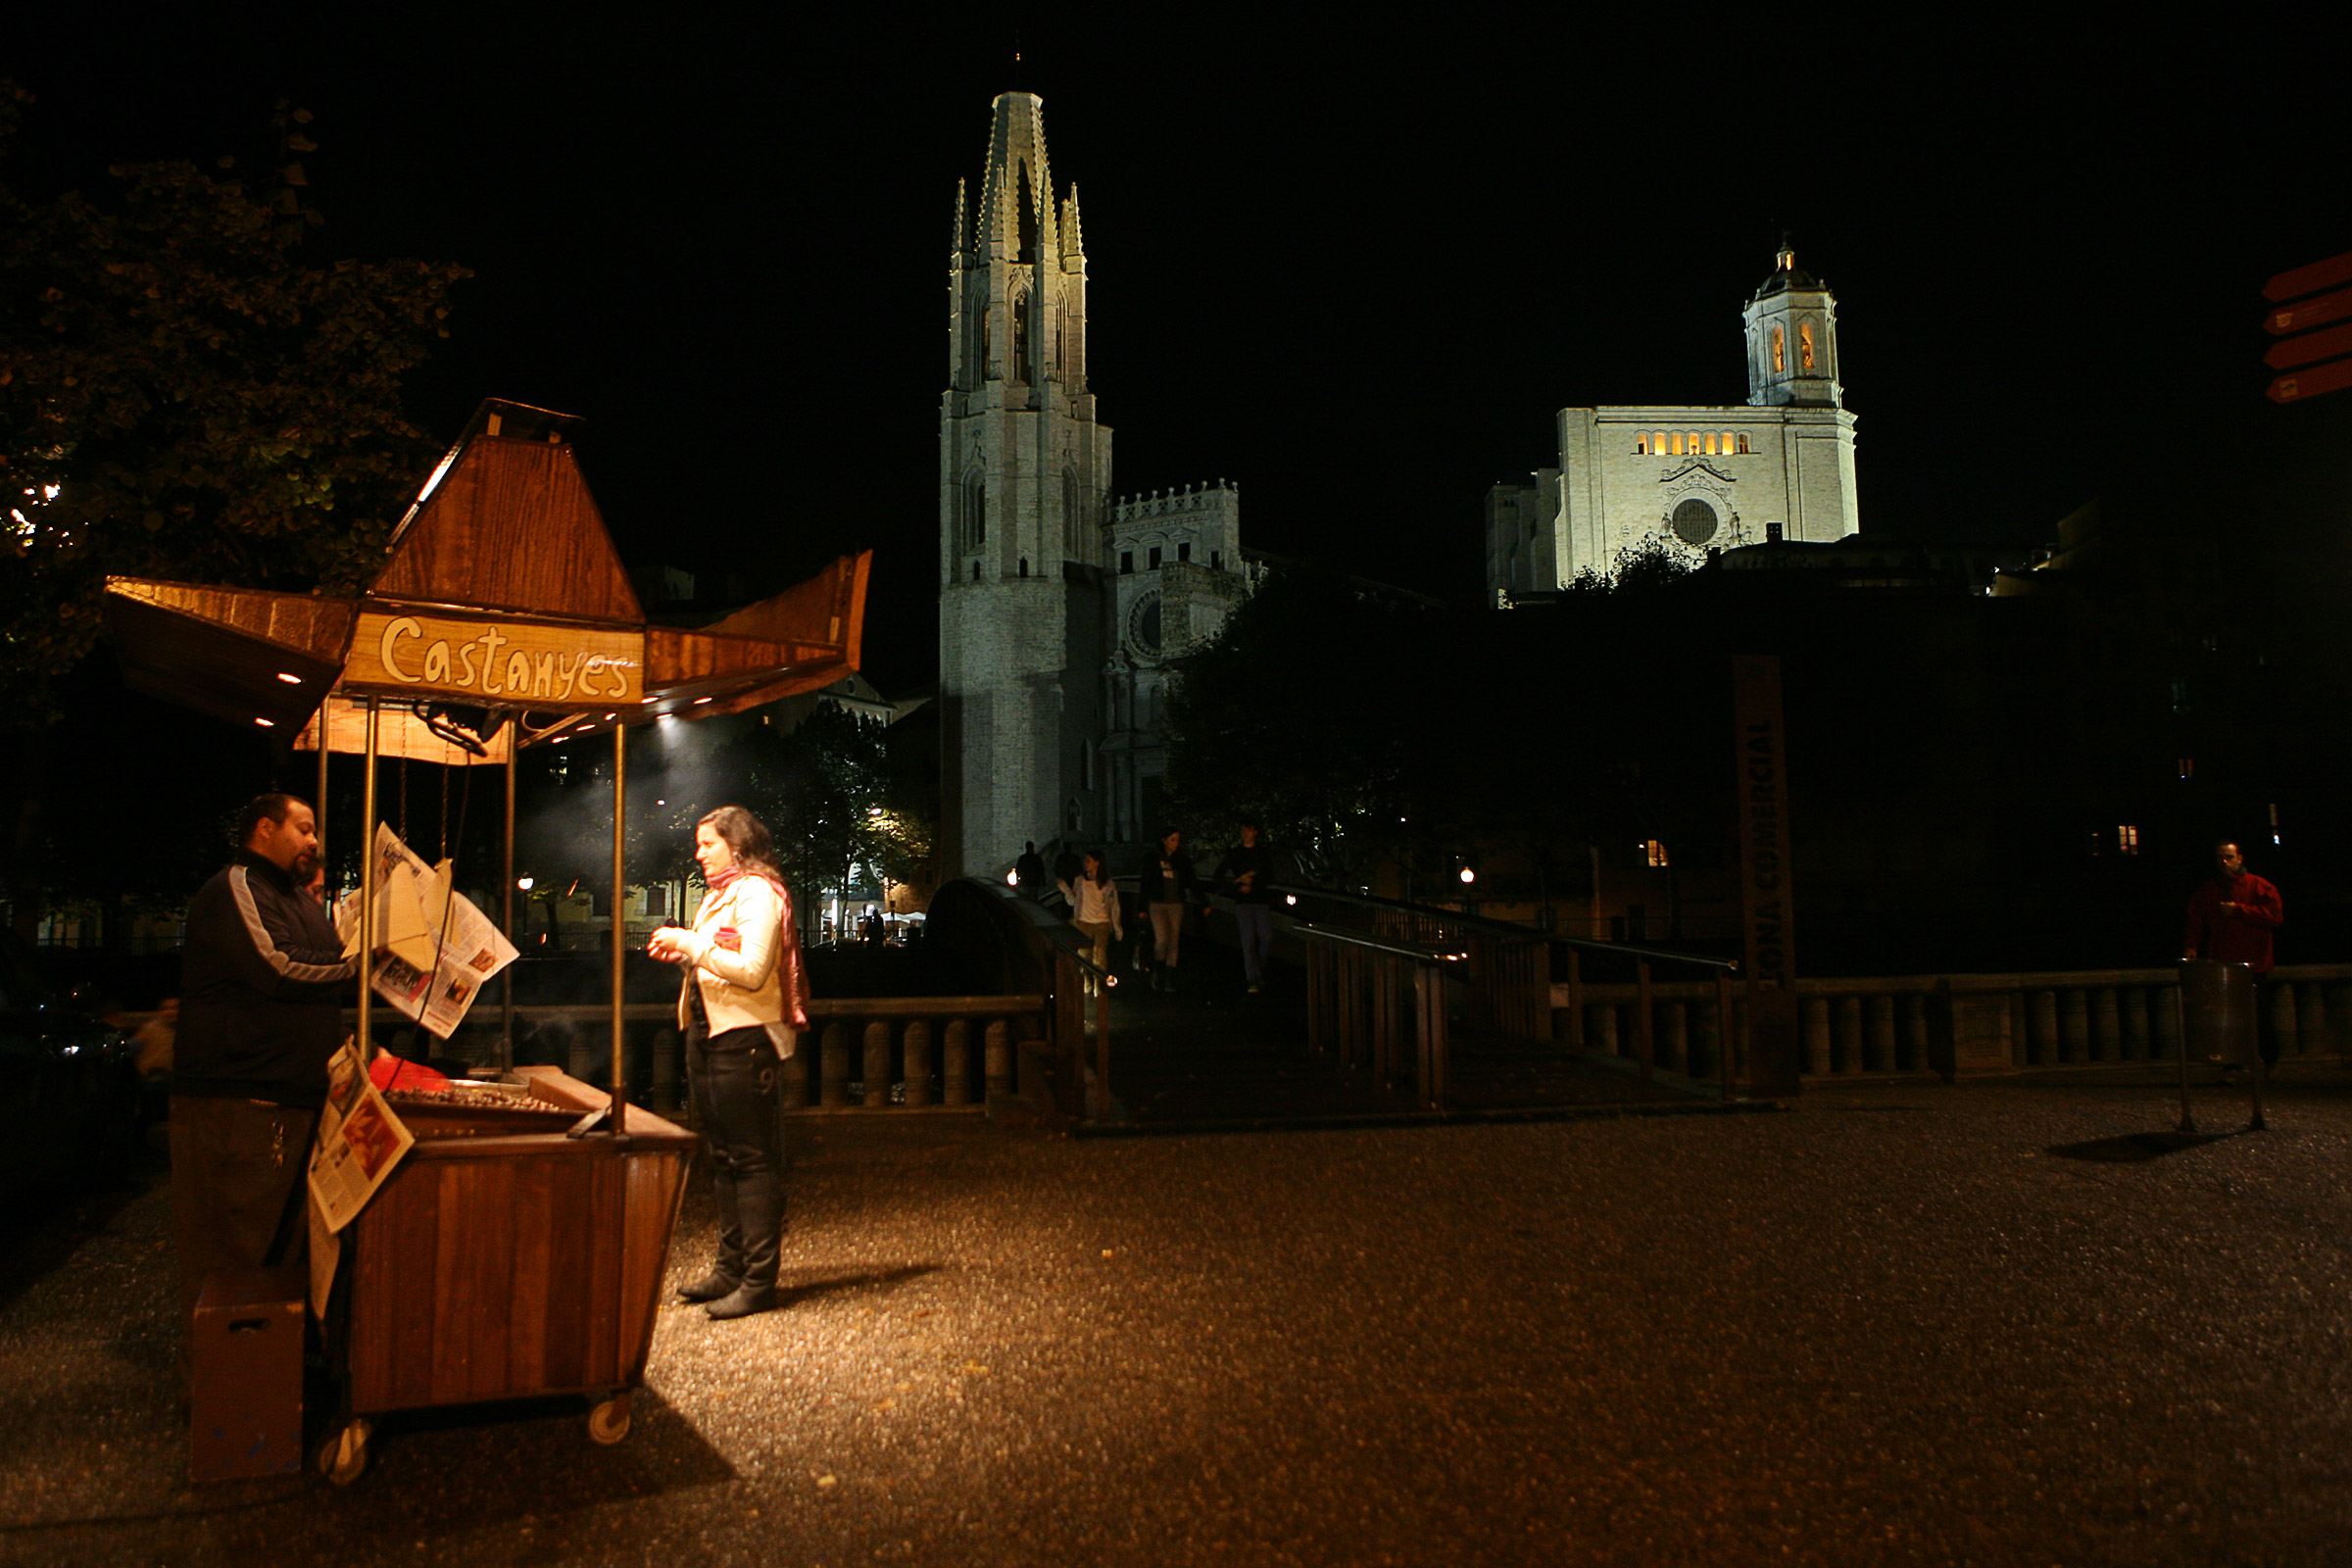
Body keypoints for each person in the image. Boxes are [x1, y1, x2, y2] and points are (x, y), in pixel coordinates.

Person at [172, 793, 356, 1369]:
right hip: (243, 1101)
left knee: (286, 1249)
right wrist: (361, 963)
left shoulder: (293, 897)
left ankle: (275, 1381)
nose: (313, 842)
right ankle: (230, 1391)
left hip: (291, 1097)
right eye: (303, 829)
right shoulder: (237, 887)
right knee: (236, 1250)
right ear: (264, 828)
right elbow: (276, 966)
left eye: (314, 833)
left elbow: (324, 960)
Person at [649, 806, 809, 1320]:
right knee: (724, 1156)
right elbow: (719, 957)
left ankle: (758, 1282)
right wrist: (685, 951)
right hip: (711, 1034)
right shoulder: (722, 894)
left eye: (707, 844)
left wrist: (689, 943)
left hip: (745, 1041)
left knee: (752, 1157)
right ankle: (730, 1268)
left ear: (736, 845)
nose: (698, 853)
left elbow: (752, 969)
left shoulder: (758, 893)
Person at [2182, 840, 2284, 1064]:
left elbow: (2275, 916)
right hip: (2223, 965)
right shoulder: (2209, 890)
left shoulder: (2258, 886)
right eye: (2220, 858)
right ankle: (2232, 1065)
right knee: (2228, 1020)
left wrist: (2240, 911)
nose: (2225, 862)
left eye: (2229, 857)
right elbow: (2195, 919)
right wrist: (2192, 945)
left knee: (2260, 1016)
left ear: (2239, 858)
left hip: (2254, 964)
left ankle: (2270, 1061)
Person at [1216, 821, 1281, 994]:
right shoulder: (1235, 853)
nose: (1245, 833)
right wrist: (1237, 885)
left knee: (1266, 936)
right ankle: (1252, 978)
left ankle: (1258, 970)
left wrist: (1254, 882)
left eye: (1249, 830)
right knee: (1248, 940)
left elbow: (1270, 876)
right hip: (1243, 901)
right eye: (1243, 830)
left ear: (1255, 832)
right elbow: (1219, 874)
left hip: (1261, 899)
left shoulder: (1262, 853)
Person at [1139, 828, 1205, 993]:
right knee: (1162, 939)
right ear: (1164, 840)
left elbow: (1191, 880)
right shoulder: (1152, 858)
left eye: (1177, 840)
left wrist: (1203, 900)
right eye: (1173, 840)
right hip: (1157, 903)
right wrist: (1142, 907)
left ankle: (1169, 977)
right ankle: (1157, 970)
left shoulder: (1182, 860)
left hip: (1175, 903)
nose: (1176, 843)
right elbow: (1145, 883)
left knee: (1174, 939)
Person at [1058, 849, 1123, 972]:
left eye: (1088, 861)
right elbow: (1073, 901)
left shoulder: (1108, 884)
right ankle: (1086, 987)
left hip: (1102, 923)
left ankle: (1098, 988)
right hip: (1083, 922)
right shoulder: (1080, 881)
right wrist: (1065, 889)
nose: (1085, 863)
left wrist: (1117, 928)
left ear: (1097, 863)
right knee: (1084, 958)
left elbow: (1114, 907)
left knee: (1100, 957)